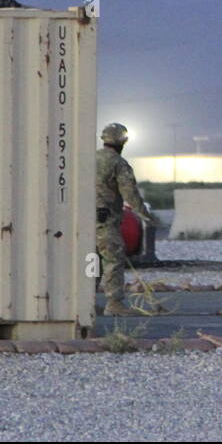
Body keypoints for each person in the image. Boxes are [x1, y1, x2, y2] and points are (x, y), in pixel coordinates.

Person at [95, 122, 154, 316]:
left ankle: (85, 302)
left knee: (91, 261)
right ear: (122, 142)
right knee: (113, 260)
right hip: (106, 220)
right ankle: (114, 303)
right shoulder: (119, 164)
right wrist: (144, 214)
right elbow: (129, 193)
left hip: (84, 220)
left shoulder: (89, 159)